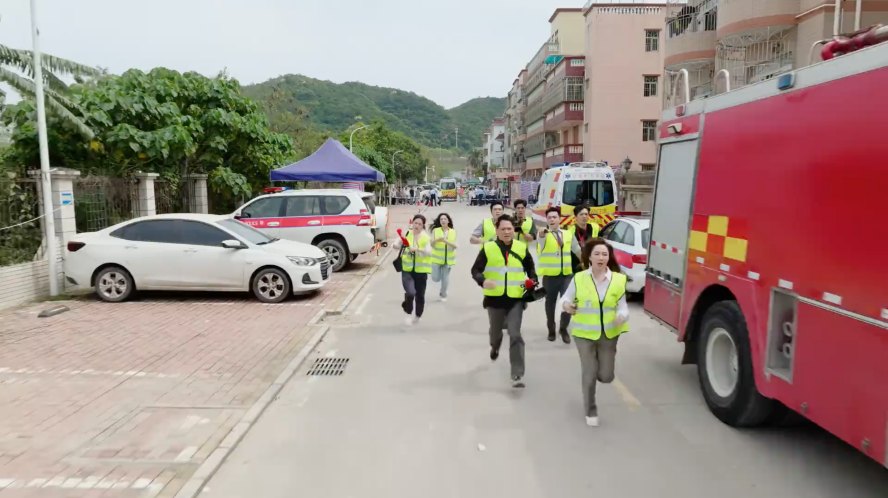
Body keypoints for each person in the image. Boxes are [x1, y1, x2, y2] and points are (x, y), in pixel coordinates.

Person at [561, 238, 629, 427]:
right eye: (597, 254)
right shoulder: (579, 278)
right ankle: (590, 409)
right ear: (589, 257)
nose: (601, 257)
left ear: (609, 257)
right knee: (589, 372)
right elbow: (565, 299)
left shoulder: (618, 280)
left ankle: (601, 369)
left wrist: (622, 316)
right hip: (583, 334)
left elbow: (623, 307)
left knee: (606, 376)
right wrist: (568, 306)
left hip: (609, 334)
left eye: (604, 254)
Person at [471, 215, 538, 388]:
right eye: (503, 229)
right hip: (494, 299)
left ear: (513, 230)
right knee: (495, 333)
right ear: (497, 230)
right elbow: (475, 270)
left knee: (515, 333)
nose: (507, 232)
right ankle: (495, 346)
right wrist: (483, 281)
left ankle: (517, 374)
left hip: (516, 299)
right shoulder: (488, 248)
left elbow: (531, 270)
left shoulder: (521, 248)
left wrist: (532, 281)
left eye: (510, 229)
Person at [537, 207, 580, 343]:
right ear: (546, 220)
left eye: (554, 217)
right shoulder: (544, 235)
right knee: (550, 303)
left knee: (568, 302)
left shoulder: (568, 234)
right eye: (549, 217)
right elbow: (540, 238)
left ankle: (563, 328)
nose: (552, 219)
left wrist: (587, 264)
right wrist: (541, 233)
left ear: (559, 219)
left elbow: (577, 250)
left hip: (566, 275)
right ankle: (551, 328)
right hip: (550, 277)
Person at [394, 214, 432, 325]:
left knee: (420, 295)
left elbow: (429, 251)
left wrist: (418, 249)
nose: (417, 225)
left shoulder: (425, 237)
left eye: (420, 224)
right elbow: (396, 244)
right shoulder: (407, 234)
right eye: (415, 223)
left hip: (421, 271)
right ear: (412, 223)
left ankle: (418, 315)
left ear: (423, 226)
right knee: (410, 292)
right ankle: (408, 313)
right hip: (407, 269)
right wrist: (396, 245)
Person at [430, 212, 457, 301]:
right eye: (441, 219)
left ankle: (443, 293)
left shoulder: (453, 232)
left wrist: (445, 241)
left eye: (445, 219)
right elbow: (431, 244)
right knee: (435, 278)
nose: (443, 220)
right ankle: (440, 279)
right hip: (436, 259)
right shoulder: (435, 231)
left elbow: (455, 246)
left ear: (448, 221)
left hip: (448, 260)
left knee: (445, 278)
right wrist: (437, 240)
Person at [569, 204, 600, 272]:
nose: (584, 216)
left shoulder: (595, 227)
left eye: (586, 214)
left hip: (592, 262)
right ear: (576, 217)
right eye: (581, 214)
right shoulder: (570, 231)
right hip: (576, 264)